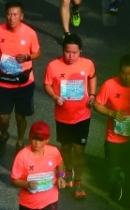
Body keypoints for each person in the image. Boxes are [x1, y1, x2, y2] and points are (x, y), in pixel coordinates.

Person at [43, 35, 97, 199]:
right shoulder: (53, 66)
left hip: (82, 116)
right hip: (63, 117)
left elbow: (92, 76)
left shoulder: (87, 64)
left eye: (75, 52)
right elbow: (47, 84)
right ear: (63, 51)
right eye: (67, 52)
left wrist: (93, 95)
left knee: (79, 150)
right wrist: (54, 97)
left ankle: (78, 181)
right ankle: (67, 170)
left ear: (80, 51)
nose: (71, 56)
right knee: (66, 148)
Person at [93, 55, 130, 203]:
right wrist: (111, 113)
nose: (127, 77)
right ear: (119, 71)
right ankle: (117, 179)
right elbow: (97, 104)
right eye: (124, 73)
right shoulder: (109, 85)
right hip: (114, 138)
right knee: (111, 172)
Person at [0, 0, 42, 158]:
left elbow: (37, 53)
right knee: (3, 117)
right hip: (4, 82)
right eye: (9, 14)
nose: (12, 17)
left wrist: (27, 56)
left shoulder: (30, 33)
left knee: (21, 116)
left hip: (24, 83)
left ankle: (19, 140)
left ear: (21, 16)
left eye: (15, 14)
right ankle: (4, 134)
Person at [10, 121, 66, 209]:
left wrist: (60, 176)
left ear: (47, 139)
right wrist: (27, 185)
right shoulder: (22, 156)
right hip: (29, 204)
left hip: (51, 200)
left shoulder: (54, 152)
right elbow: (14, 180)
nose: (37, 143)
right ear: (29, 137)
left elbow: (60, 162)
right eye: (34, 138)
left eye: (41, 140)